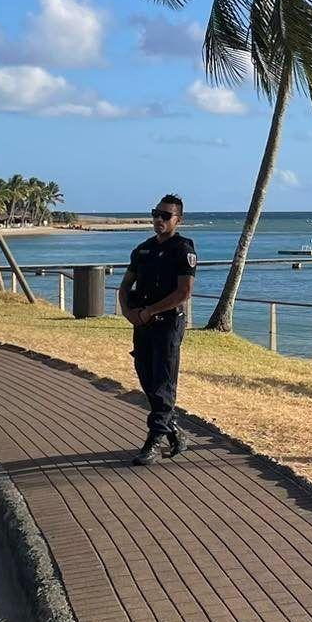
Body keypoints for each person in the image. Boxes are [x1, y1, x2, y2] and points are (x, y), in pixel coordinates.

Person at [121, 194, 197, 465]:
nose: (159, 220)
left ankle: (153, 442)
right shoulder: (142, 249)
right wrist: (129, 313)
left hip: (167, 326)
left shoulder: (183, 249)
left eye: (166, 216)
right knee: (148, 380)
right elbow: (125, 285)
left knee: (164, 384)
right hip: (142, 325)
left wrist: (151, 311)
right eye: (156, 213)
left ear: (178, 219)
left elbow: (184, 292)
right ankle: (173, 430)